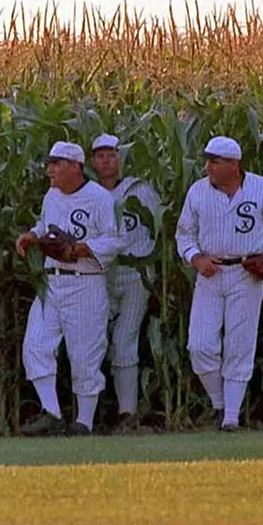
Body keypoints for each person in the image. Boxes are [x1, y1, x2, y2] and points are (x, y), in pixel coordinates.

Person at [176, 136, 263, 431]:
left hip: (246, 273)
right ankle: (219, 403)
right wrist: (195, 258)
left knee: (240, 345)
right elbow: (184, 234)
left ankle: (230, 418)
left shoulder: (260, 188)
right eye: (208, 160)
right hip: (211, 273)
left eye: (214, 161)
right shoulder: (198, 192)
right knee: (199, 345)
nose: (207, 167)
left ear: (234, 164)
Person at [16, 141, 120, 436]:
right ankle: (52, 413)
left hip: (84, 283)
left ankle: (83, 423)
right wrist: (32, 235)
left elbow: (113, 241)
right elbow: (46, 225)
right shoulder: (52, 195)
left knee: (85, 355)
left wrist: (80, 248)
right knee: (35, 346)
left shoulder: (99, 198)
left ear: (75, 166)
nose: (50, 170)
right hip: (52, 281)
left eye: (56, 163)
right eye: (49, 163)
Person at [90, 133, 162, 429]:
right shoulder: (89, 194)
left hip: (135, 273)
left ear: (121, 157)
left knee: (124, 340)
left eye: (112, 154)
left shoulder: (140, 190)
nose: (106, 161)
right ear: (92, 162)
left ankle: (127, 413)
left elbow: (159, 232)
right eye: (100, 156)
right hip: (99, 275)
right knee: (96, 344)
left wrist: (158, 280)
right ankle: (96, 413)